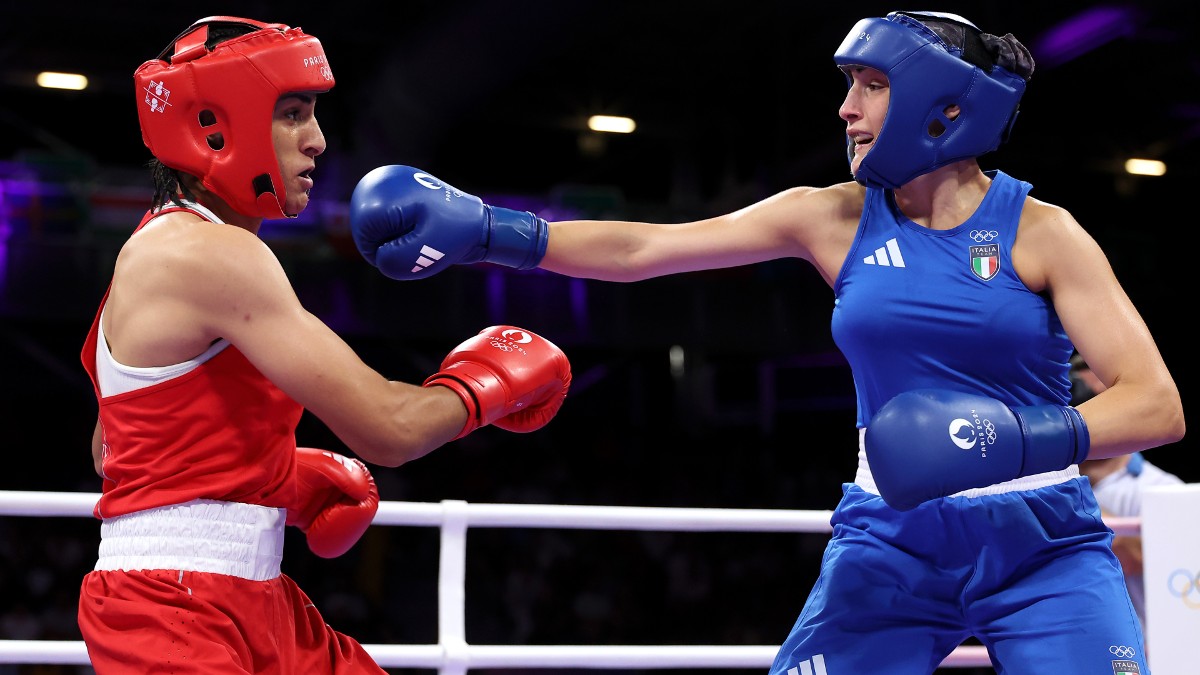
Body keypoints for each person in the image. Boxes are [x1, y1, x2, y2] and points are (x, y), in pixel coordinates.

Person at [347, 9, 1185, 674]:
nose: (845, 109)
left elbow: (1156, 402)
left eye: (869, 86)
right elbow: (647, 248)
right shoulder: (830, 217)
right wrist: (497, 232)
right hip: (892, 539)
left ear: (942, 103)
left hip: (1043, 541)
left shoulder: (1046, 233)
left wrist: (1008, 440)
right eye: (848, 85)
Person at [78, 15, 572, 674]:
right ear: (215, 126)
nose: (316, 142)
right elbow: (392, 426)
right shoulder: (208, 253)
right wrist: (484, 384)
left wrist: (272, 476)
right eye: (292, 114)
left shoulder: (157, 245)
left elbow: (111, 447)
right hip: (174, 610)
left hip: (245, 597)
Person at [1071, 353, 1184, 636]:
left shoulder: (1161, 489)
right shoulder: (1040, 484)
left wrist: (1060, 487)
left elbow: (1141, 558)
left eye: (1097, 399)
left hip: (1146, 653)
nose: (1086, 413)